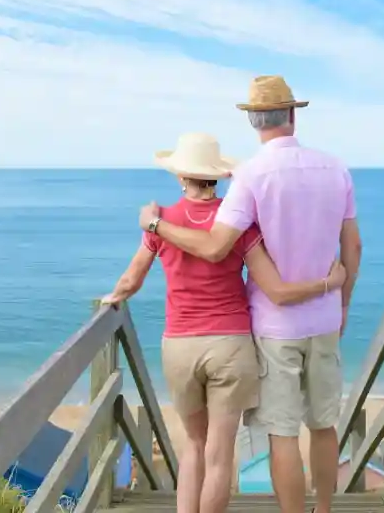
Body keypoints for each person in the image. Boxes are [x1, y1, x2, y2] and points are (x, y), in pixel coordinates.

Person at [137, 76, 361, 513]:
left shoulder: (251, 174)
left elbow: (217, 245)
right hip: (324, 321)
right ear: (293, 115)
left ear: (253, 122)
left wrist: (156, 225)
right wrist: (343, 300)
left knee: (282, 434)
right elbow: (352, 246)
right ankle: (326, 510)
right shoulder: (336, 168)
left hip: (275, 328)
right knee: (324, 425)